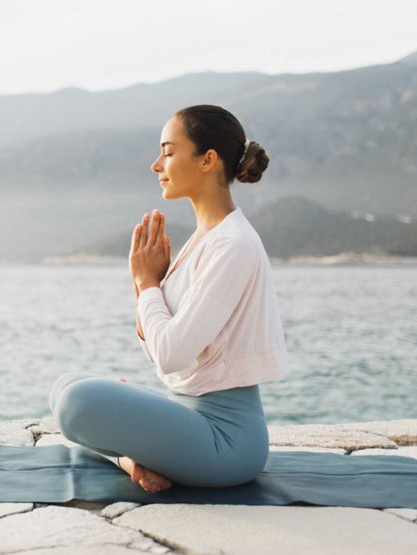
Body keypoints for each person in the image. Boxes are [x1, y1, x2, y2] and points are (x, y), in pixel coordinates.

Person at [48, 104, 289, 493]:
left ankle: (129, 457)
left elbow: (170, 354)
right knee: (65, 385)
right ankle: (133, 460)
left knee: (78, 402)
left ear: (208, 160)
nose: (156, 165)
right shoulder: (204, 239)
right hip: (185, 411)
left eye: (169, 151)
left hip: (226, 443)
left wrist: (147, 283)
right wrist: (144, 283)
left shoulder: (233, 245)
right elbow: (158, 347)